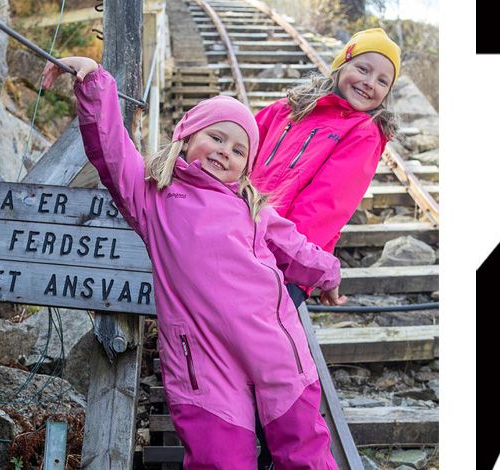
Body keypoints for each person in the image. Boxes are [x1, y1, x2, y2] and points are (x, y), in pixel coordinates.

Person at [42, 56, 346, 469]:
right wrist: (94, 82)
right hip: (201, 358)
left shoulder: (251, 205)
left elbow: (294, 248)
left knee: (304, 449)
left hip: (273, 347)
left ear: (246, 167)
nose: (226, 152)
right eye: (217, 138)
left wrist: (328, 274)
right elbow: (112, 153)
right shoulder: (154, 198)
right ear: (185, 136)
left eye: (240, 150)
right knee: (219, 457)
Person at [250, 28, 398, 306]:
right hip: (239, 235)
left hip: (284, 262)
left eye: (382, 81)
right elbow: (242, 146)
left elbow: (324, 205)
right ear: (342, 66)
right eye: (363, 69)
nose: (369, 83)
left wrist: (274, 254)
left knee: (243, 342)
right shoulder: (288, 109)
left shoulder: (364, 132)